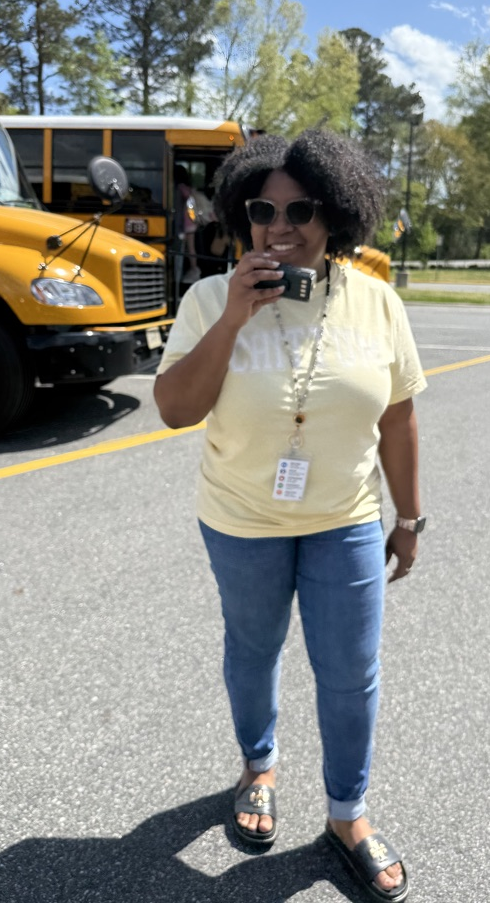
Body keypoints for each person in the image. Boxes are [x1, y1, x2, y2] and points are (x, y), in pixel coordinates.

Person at [154, 130, 426, 902]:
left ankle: (348, 817)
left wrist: (409, 519)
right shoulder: (211, 297)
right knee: (254, 648)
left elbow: (400, 418)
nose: (282, 225)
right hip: (240, 517)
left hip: (344, 518)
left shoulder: (377, 302)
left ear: (334, 213)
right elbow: (173, 409)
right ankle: (259, 766)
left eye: (302, 208)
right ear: (241, 216)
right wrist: (235, 315)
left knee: (350, 674)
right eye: (262, 209)